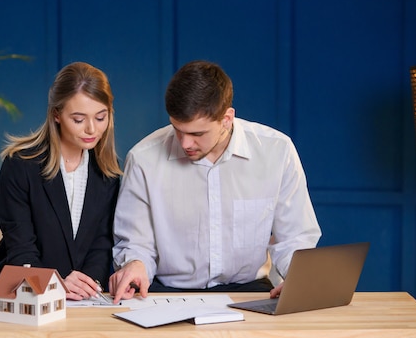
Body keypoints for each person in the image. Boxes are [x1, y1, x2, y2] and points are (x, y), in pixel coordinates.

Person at [109, 60, 321, 303]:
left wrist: (297, 280)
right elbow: (136, 242)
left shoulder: (277, 151)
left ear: (227, 119)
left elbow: (294, 237)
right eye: (178, 129)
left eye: (197, 134)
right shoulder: (143, 158)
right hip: (168, 293)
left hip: (250, 289)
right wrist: (135, 264)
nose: (185, 143)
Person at [0, 62, 122, 300]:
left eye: (100, 117)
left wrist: (87, 286)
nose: (91, 129)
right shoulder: (20, 165)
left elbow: (101, 244)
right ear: (57, 115)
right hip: (22, 295)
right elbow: (21, 248)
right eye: (78, 119)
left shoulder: (108, 174)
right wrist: (59, 285)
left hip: (82, 301)